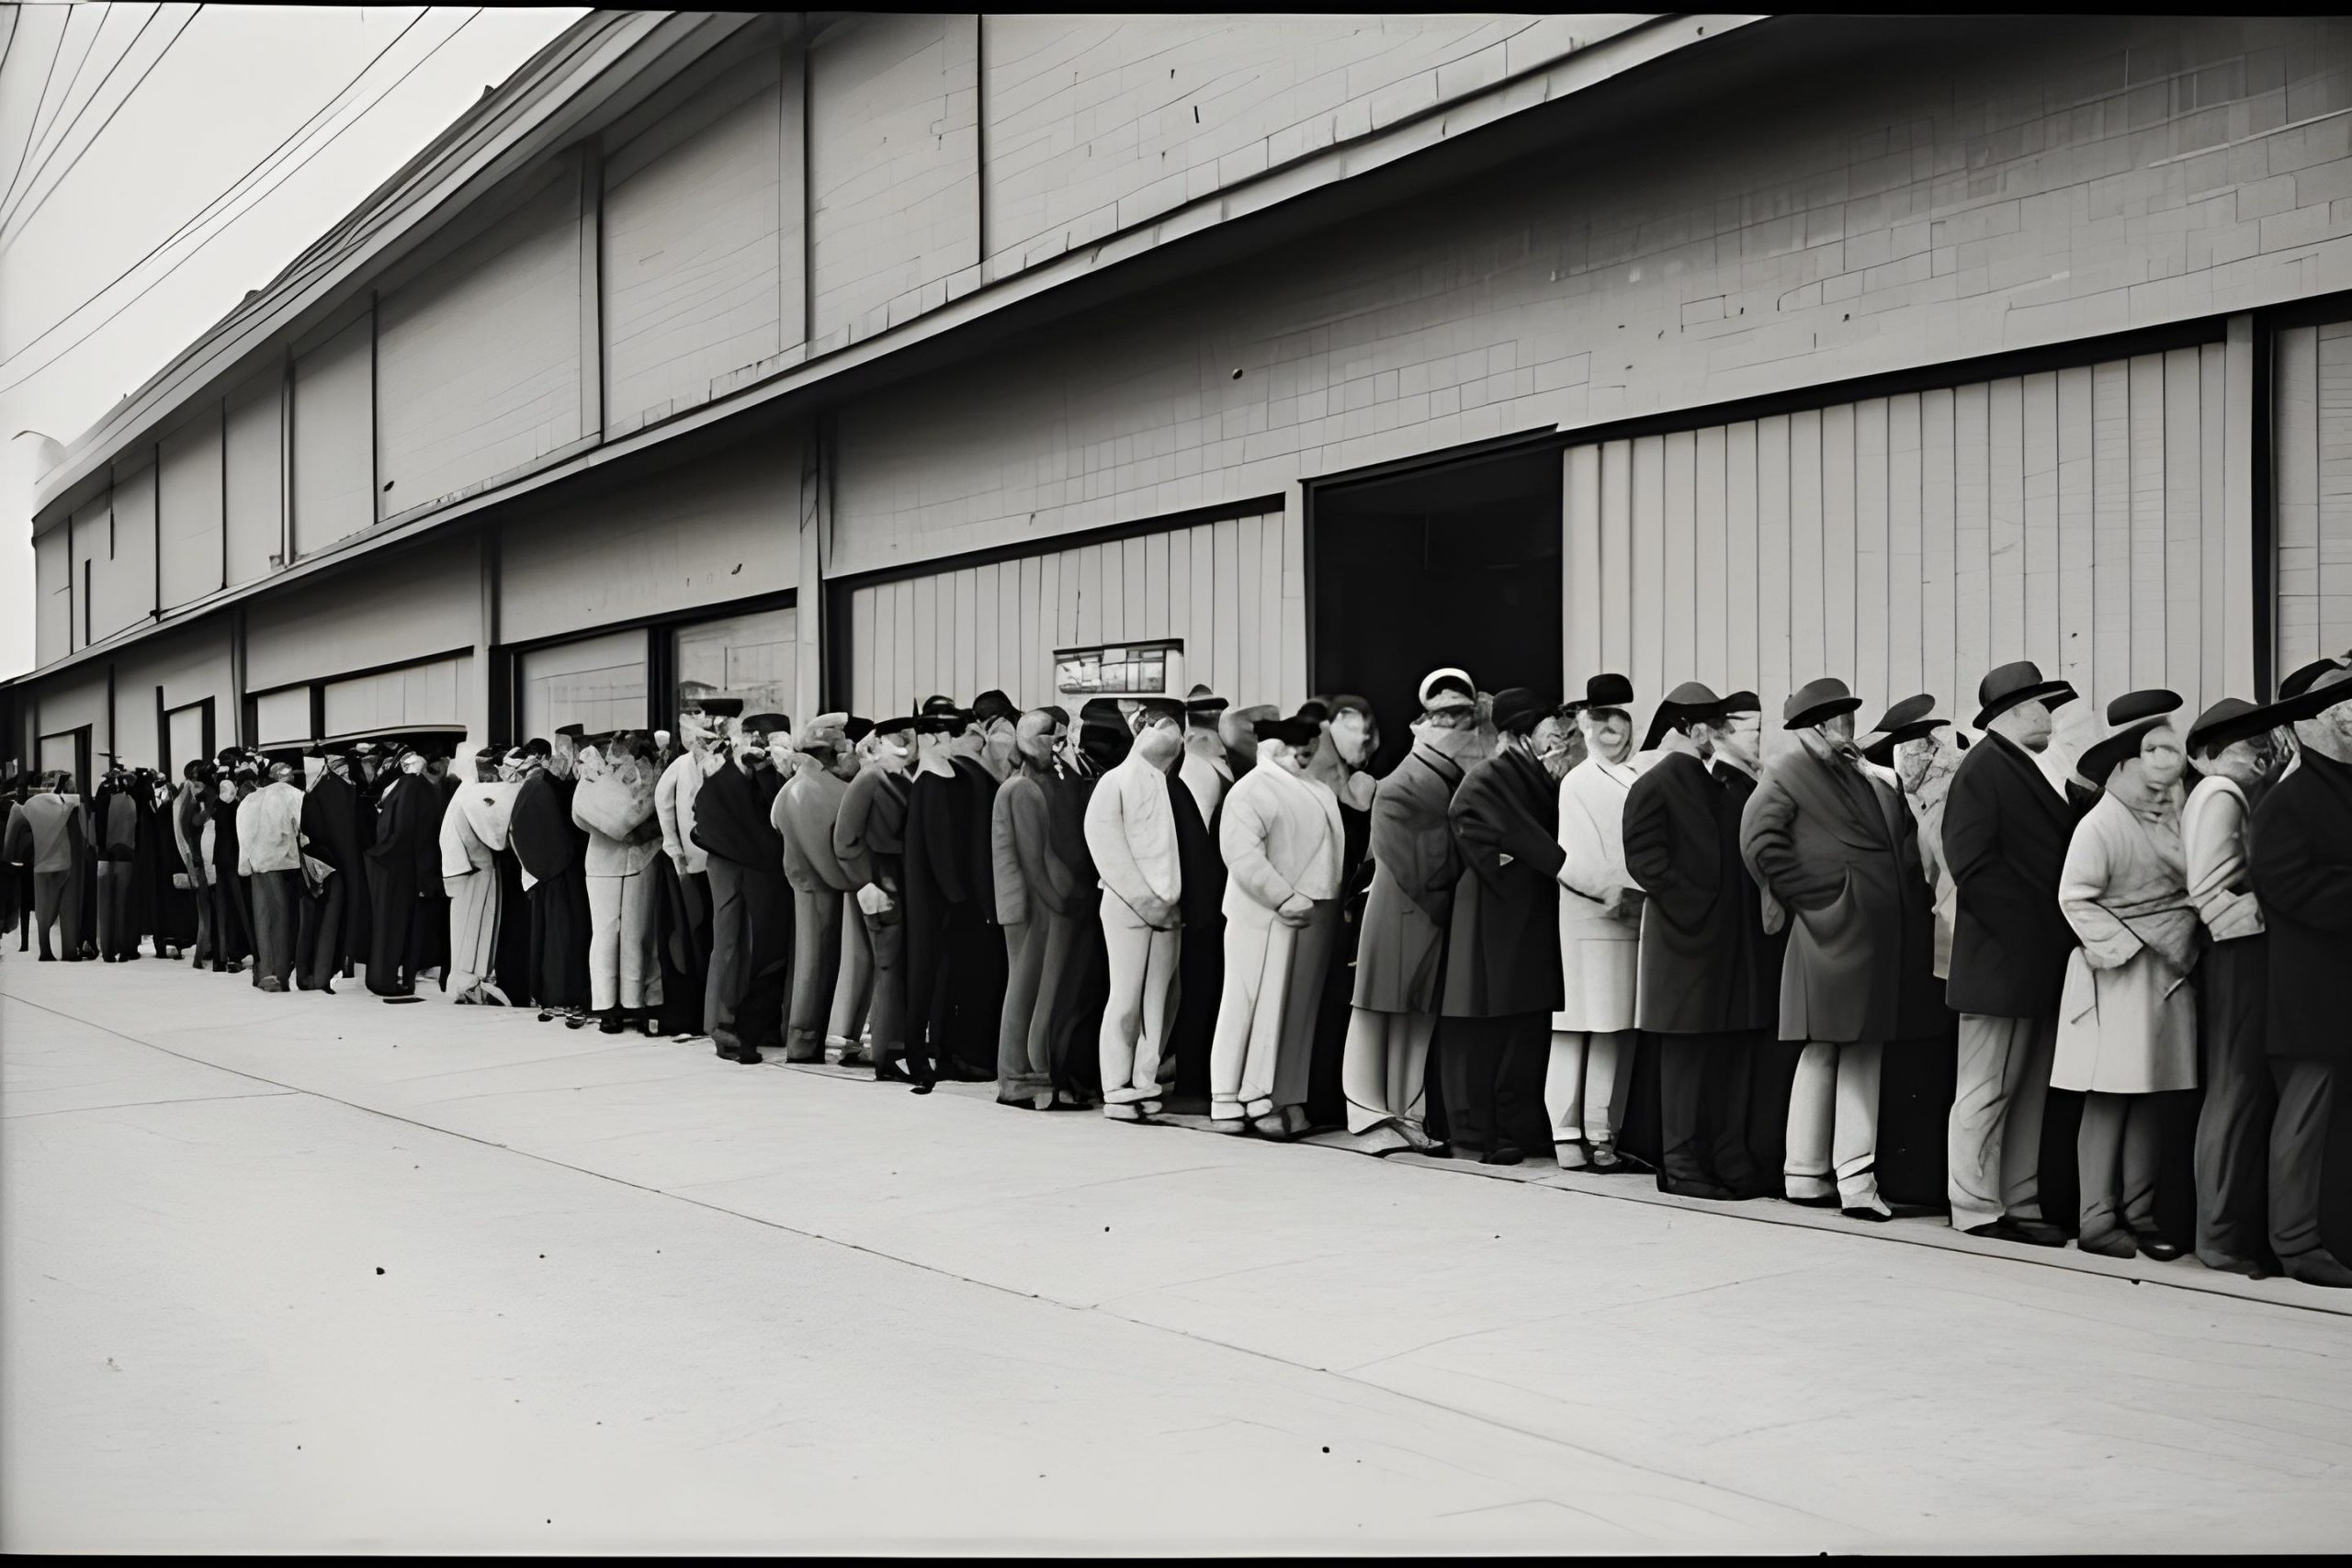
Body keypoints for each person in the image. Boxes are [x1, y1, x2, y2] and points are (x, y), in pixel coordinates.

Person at [1739, 677, 1925, 1220]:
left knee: (1829, 1046)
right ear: (1814, 726)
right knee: (1851, 1048)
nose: (1845, 726)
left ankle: (1805, 1173)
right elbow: (1758, 842)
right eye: (1836, 717)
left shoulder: (1860, 771)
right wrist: (1819, 899)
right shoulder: (1790, 769)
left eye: (1847, 715)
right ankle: (1854, 1180)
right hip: (1833, 929)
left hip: (1867, 931)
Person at [1939, 660, 2095, 1247]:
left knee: (2025, 1087)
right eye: (2039, 706)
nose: (2047, 716)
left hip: (2029, 960)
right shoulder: (1985, 768)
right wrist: (2035, 932)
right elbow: (1973, 865)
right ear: (2011, 713)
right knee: (1986, 1088)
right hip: (2000, 963)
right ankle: (1975, 1205)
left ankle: (2020, 1199)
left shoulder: (2024, 766)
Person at [2054, 692, 2199, 1261]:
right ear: (2122, 764)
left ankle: (2138, 1214)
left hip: (2166, 982)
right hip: (2120, 982)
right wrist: (2130, 945)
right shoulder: (2102, 824)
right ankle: (2096, 1221)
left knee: (2151, 1096)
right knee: (2111, 1099)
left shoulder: (2167, 819)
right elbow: (2074, 897)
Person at [1624, 682, 1762, 1201]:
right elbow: (1645, 862)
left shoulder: (1712, 783)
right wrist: (1700, 907)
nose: (1719, 734)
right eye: (1709, 725)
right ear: (1688, 728)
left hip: (1718, 944)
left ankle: (1723, 1159)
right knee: (1686, 1060)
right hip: (1683, 947)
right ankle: (1680, 1166)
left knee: (1720, 1055)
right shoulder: (1657, 781)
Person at [1344, 669, 1482, 1156]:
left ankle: (1407, 1112)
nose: (1455, 724)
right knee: (1379, 1011)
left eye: (1462, 714)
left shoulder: (1450, 775)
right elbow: (1411, 860)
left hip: (1427, 910)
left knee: (1415, 1016)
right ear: (1426, 720)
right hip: (1402, 909)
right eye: (1443, 714)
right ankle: (1366, 1114)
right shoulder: (1403, 783)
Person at [2247, 663, 2352, 1287]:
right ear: (2322, 718)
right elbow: (2286, 885)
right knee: (2304, 1121)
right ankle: (2295, 1241)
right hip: (2310, 990)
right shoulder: (2287, 798)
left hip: (2337, 987)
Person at [1440, 689, 1573, 1165]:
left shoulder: (1539, 775)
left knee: (1524, 1023)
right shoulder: (1489, 776)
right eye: (1548, 726)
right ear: (1519, 734)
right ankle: (1476, 1135)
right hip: (1491, 915)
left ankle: (1518, 1127)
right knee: (1486, 1025)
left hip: (1526, 912)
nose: (1559, 734)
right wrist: (1515, 859)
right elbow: (1468, 819)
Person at [2181, 696, 2285, 1276]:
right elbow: (2210, 889)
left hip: (2235, 954)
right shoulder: (2222, 793)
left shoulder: (2219, 792)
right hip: (2237, 953)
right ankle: (2218, 1233)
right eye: (2253, 748)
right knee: (2235, 1089)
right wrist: (2269, 918)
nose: (2263, 757)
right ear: (2217, 753)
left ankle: (2222, 1228)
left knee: (2236, 1088)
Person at [1209, 711, 1344, 1138]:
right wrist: (1283, 896)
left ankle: (1283, 1095)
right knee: (1246, 1004)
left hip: (1312, 913)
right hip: (1263, 914)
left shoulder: (1316, 788)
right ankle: (1230, 1096)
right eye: (1298, 749)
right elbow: (1241, 853)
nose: (1305, 756)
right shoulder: (1251, 789)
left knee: (1293, 1015)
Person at [1549, 673, 1646, 1172]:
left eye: (1622, 718)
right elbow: (1576, 856)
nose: (1615, 728)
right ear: (1586, 725)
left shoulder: (1634, 779)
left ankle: (1604, 1131)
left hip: (1632, 918)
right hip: (1590, 917)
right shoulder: (1577, 782)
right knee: (1575, 1027)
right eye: (1603, 718)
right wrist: (1621, 892)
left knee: (1616, 1027)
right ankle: (1567, 1132)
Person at [1085, 695, 1189, 1122]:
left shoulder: (1162, 783)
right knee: (1126, 998)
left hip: (1167, 908)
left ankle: (1144, 1079)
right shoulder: (1116, 781)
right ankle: (1115, 1084)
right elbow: (1105, 846)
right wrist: (1148, 902)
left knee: (1161, 1000)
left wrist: (1167, 903)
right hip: (1131, 905)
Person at [694, 714, 794, 1064]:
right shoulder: (725, 771)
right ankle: (723, 1027)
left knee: (756, 947)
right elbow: (710, 812)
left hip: (757, 866)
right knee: (732, 944)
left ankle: (744, 1023)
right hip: (732, 863)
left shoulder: (757, 770)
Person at [991, 709, 1072, 1108]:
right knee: (1023, 991)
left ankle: (1024, 1074)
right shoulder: (1021, 790)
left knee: (1027, 990)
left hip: (1028, 902)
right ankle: (1015, 1077)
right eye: (1054, 740)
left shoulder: (1025, 785)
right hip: (1028, 905)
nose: (1060, 748)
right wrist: (1061, 901)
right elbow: (1033, 859)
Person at [774, 715, 865, 1064]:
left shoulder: (796, 787)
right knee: (816, 966)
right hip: (822, 888)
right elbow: (824, 853)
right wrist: (852, 880)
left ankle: (802, 1039)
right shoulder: (816, 791)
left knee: (811, 964)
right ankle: (804, 1041)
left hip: (805, 884)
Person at [836, 715, 921, 1087]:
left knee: (898, 967)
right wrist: (863, 883)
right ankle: (887, 1053)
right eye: (897, 739)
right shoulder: (870, 779)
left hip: (900, 882)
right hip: (880, 883)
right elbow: (844, 838)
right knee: (888, 967)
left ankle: (891, 1048)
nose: (905, 744)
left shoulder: (903, 777)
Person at [574, 731, 666, 1035]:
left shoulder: (637, 775)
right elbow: (587, 818)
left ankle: (632, 1001)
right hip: (613, 861)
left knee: (635, 934)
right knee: (607, 935)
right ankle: (607, 1006)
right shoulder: (589, 780)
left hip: (636, 859)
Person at [654, 701, 736, 1039]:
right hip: (689, 865)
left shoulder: (724, 764)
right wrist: (674, 854)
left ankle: (713, 1007)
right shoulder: (679, 767)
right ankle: (696, 1010)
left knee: (717, 937)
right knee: (694, 935)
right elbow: (664, 807)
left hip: (718, 862)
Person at [441, 746, 518, 1007]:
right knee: (470, 930)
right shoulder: (475, 795)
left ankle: (469, 981)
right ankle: (466, 983)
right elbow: (496, 840)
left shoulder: (465, 790)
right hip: (472, 872)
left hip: (464, 870)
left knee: (467, 930)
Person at [296, 745, 366, 993]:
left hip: (320, 867)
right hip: (335, 869)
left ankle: (310, 975)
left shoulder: (316, 790)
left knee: (314, 925)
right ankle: (321, 977)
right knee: (329, 925)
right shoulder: (337, 790)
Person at [237, 754, 307, 993]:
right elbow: (303, 830)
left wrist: (246, 863)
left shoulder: (250, 799)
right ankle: (279, 975)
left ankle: (263, 972)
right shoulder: (293, 796)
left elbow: (242, 834)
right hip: (284, 865)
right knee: (283, 921)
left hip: (256, 866)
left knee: (263, 920)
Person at [5, 773, 87, 961]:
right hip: (63, 862)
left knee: (43, 910)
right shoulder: (65, 802)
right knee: (67, 908)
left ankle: (45, 950)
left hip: (40, 864)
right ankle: (68, 951)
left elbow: (12, 829)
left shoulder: (28, 807)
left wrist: (10, 857)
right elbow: (81, 802)